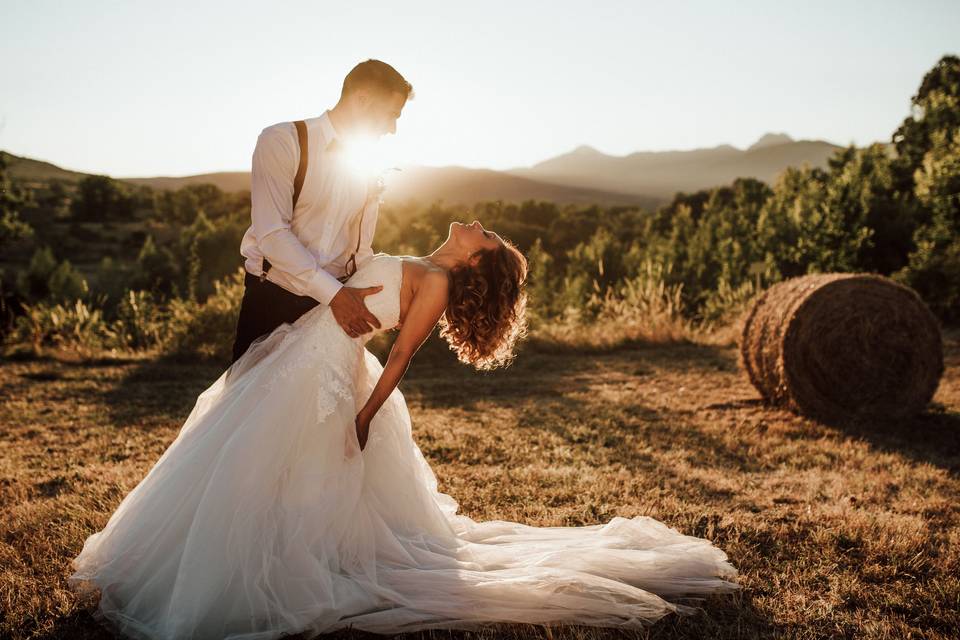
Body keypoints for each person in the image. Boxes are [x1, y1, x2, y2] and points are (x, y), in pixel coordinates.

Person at [68, 221, 738, 639]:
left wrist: (362, 415)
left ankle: (259, 567)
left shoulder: (440, 281)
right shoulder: (428, 262)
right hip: (304, 356)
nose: (478, 224)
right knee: (240, 455)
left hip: (327, 376)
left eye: (487, 236)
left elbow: (400, 357)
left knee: (269, 465)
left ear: (475, 263)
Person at [231, 58, 413, 366]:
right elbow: (273, 236)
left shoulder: (370, 165)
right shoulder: (282, 141)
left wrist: (388, 300)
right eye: (391, 115)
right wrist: (336, 296)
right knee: (251, 408)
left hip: (333, 310)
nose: (393, 129)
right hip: (271, 301)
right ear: (362, 100)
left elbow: (360, 251)